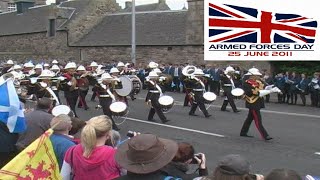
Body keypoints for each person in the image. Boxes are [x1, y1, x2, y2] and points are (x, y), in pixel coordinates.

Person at [61, 115, 122, 180]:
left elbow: (64, 176)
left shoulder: (72, 151)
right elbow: (125, 173)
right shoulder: (115, 154)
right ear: (108, 135)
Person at [240, 68, 279, 141]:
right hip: (253, 103)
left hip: (258, 102)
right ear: (252, 76)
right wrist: (270, 91)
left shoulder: (258, 81)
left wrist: (269, 88)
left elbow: (263, 88)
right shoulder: (246, 83)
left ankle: (243, 132)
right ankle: (265, 135)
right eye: (257, 75)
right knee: (258, 120)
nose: (258, 76)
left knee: (249, 119)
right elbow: (256, 93)